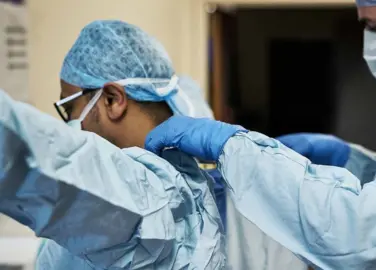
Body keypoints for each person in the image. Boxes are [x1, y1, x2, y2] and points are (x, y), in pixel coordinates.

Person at [144, 0, 376, 269]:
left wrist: (236, 148)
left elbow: (374, 237)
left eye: (374, 27)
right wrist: (357, 164)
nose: (371, 44)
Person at [0, 20, 226, 269]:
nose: (71, 122)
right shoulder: (189, 169)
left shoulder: (145, 198)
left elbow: (30, 153)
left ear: (112, 99)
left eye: (69, 107)